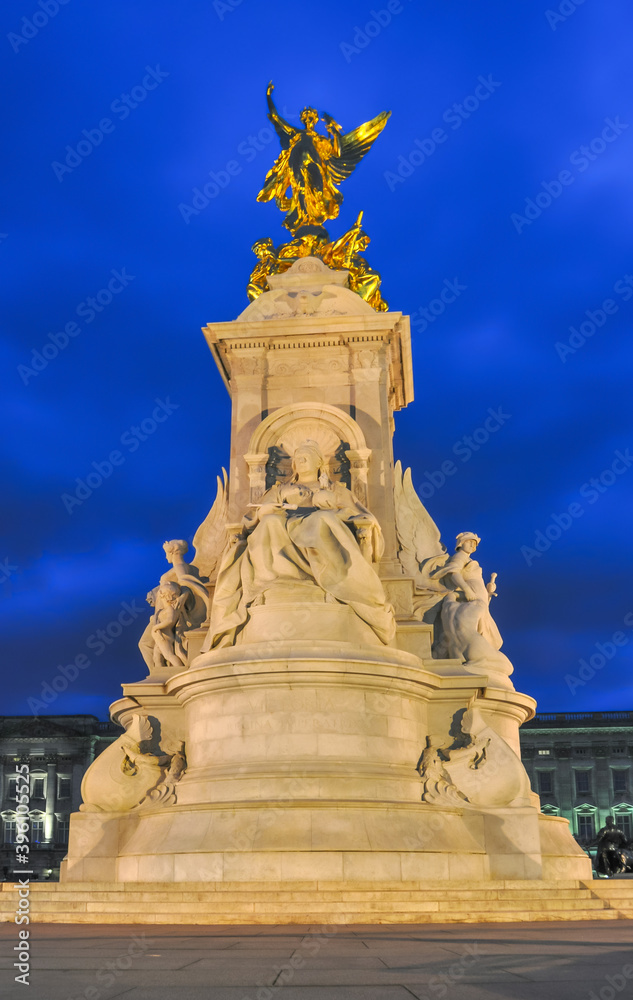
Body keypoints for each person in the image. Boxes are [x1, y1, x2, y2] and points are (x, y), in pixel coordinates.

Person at [208, 440, 395, 647]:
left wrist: (331, 506)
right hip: (283, 527)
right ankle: (270, 581)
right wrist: (264, 512)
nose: (300, 461)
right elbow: (256, 513)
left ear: (318, 463)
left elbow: (360, 516)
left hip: (318, 527)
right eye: (297, 459)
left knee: (323, 520)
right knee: (270, 523)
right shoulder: (280, 490)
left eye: (305, 457)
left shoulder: (335, 489)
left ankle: (329, 577)